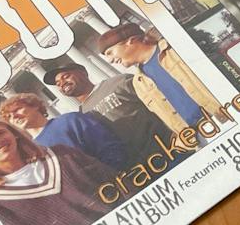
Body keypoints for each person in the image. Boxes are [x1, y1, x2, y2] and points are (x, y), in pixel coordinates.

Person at [97, 24, 224, 136]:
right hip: (200, 136)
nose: (110, 60)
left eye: (110, 52)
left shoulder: (173, 50)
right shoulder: (139, 83)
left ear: (131, 41)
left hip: (226, 114)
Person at [42, 56, 172, 164]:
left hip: (168, 147)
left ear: (83, 73)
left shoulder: (119, 82)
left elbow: (162, 100)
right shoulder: (80, 116)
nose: (62, 84)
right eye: (58, 84)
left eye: (65, 76)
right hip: (140, 167)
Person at [0, 92, 125, 169]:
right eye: (9, 117)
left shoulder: (71, 120)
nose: (14, 116)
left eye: (17, 109)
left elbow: (109, 147)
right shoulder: (28, 151)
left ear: (35, 106)